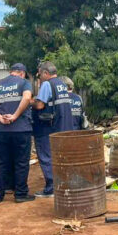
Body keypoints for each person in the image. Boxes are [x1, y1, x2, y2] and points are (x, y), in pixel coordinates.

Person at [0, 63, 35, 203]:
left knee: (0, 162)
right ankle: (20, 194)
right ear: (22, 73)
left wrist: (0, 118)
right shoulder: (24, 83)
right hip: (21, 129)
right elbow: (26, 98)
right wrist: (15, 115)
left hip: (1, 131)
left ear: (11, 72)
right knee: (21, 162)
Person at [31, 62, 83, 197]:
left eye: (40, 74)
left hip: (48, 128)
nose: (39, 77)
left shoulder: (47, 84)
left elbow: (40, 105)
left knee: (46, 156)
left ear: (45, 73)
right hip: (63, 126)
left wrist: (30, 101)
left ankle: (51, 188)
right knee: (60, 157)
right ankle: (62, 185)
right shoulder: (61, 85)